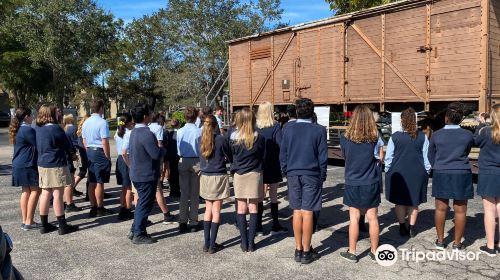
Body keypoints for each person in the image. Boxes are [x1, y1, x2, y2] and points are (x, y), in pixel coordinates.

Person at [280, 98, 327, 264]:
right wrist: (322, 175)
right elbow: (322, 157)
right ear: (312, 111)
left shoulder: (287, 129)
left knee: (297, 211)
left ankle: (298, 248)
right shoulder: (319, 130)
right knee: (308, 212)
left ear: (297, 111)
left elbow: (283, 153)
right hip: (311, 174)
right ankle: (307, 251)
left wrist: (286, 170)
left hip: (293, 173)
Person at [428, 103, 474, 251]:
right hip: (461, 172)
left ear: (446, 117)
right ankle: (457, 243)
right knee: (460, 210)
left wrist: (439, 165)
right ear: (461, 119)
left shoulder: (436, 134)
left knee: (441, 209)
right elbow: (466, 152)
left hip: (442, 172)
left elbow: (430, 155)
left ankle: (440, 241)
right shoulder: (468, 135)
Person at [339, 105, 382, 263]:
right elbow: (379, 158)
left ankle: (352, 251)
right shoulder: (375, 138)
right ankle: (374, 251)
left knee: (354, 218)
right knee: (373, 218)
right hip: (370, 181)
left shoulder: (344, 138)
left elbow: (345, 157)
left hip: (352, 181)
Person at [384, 108, 431, 238]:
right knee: (413, 202)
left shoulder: (395, 137)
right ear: (415, 121)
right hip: (417, 172)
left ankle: (401, 226)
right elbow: (427, 158)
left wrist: (387, 170)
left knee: (399, 202)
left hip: (398, 172)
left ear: (402, 120)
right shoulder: (423, 137)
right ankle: (411, 228)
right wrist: (426, 171)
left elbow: (388, 158)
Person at [35, 104, 78, 235]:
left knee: (45, 193)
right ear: (52, 114)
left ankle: (44, 224)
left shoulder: (38, 128)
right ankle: (62, 225)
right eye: (56, 112)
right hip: (56, 164)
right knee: (58, 194)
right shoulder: (56, 128)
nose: (59, 114)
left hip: (43, 163)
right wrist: (73, 153)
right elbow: (67, 145)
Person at [127, 104, 165, 244]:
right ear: (144, 117)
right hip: (146, 174)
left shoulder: (134, 132)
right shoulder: (146, 134)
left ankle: (134, 229)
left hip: (137, 172)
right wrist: (162, 149)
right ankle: (139, 233)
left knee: (141, 202)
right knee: (145, 203)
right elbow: (155, 154)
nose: (150, 116)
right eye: (149, 114)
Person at [230, 108, 265, 252]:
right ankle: (251, 243)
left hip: (239, 174)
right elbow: (262, 154)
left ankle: (243, 243)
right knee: (254, 207)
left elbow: (231, 155)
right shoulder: (259, 137)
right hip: (255, 174)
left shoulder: (233, 137)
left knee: (241, 208)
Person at [199, 115, 232, 254]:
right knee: (216, 210)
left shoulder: (199, 140)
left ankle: (206, 243)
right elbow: (230, 156)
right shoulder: (221, 139)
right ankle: (212, 245)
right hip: (218, 175)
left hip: (205, 176)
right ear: (215, 125)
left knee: (208, 209)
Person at [256, 102, 287, 235]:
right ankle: (275, 224)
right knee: (273, 194)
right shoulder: (275, 126)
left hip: (259, 163)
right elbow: (281, 144)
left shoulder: (255, 126)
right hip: (273, 163)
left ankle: (258, 226)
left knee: (259, 196)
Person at [475, 104, 500, 256]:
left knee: (489, 211)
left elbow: (475, 142)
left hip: (488, 173)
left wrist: (480, 123)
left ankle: (490, 246)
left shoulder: (485, 131)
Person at [10, 107, 40, 231]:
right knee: (35, 191)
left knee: (25, 191)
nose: (33, 116)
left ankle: (26, 220)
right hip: (27, 164)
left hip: (19, 164)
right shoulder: (27, 130)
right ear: (26, 116)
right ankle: (29, 221)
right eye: (31, 115)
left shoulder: (19, 129)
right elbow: (39, 145)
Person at [82, 99, 113, 217]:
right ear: (101, 108)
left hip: (89, 150)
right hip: (99, 151)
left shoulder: (86, 122)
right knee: (100, 182)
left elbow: (84, 140)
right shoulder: (102, 122)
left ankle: (92, 206)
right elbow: (104, 141)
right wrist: (108, 156)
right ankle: (100, 207)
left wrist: (88, 150)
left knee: (92, 180)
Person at [177, 107, 203, 233]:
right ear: (195, 116)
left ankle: (182, 221)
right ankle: (193, 221)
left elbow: (178, 148)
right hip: (196, 161)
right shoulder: (199, 131)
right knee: (194, 193)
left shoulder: (180, 131)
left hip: (183, 159)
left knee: (184, 193)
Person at [149, 112, 175, 224]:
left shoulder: (147, 127)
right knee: (157, 188)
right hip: (155, 158)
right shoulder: (158, 128)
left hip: (145, 159)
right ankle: (166, 214)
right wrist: (161, 158)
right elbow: (159, 144)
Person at [115, 113, 134, 221]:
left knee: (123, 186)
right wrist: (130, 165)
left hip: (119, 160)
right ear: (130, 122)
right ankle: (127, 209)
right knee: (128, 188)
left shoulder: (118, 132)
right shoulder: (130, 133)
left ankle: (122, 207)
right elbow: (124, 152)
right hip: (127, 158)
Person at [62, 114, 82, 213]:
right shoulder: (73, 128)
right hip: (71, 154)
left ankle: (67, 201)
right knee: (70, 180)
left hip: (65, 157)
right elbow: (75, 142)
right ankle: (69, 203)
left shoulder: (64, 128)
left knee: (68, 180)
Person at [74, 116, 88, 197]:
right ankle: (72, 187)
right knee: (82, 172)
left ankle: (73, 187)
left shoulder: (79, 131)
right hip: (83, 154)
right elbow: (83, 145)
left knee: (82, 172)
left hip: (81, 154)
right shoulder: (83, 132)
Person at [166, 119, 181, 198]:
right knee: (177, 174)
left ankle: (172, 191)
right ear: (178, 125)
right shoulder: (179, 133)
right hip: (177, 155)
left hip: (171, 155)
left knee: (172, 173)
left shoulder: (169, 133)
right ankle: (177, 191)